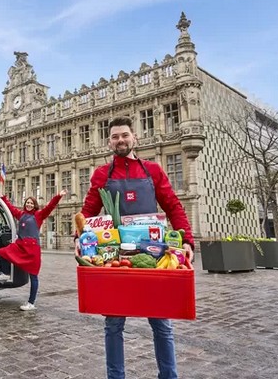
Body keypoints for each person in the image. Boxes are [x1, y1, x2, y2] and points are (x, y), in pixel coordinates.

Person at [77, 116, 195, 379]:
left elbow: (173, 205)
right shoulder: (101, 174)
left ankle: (169, 375)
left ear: (134, 138)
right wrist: (80, 238)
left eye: (125, 135)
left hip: (154, 252)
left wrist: (187, 240)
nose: (120, 140)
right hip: (117, 255)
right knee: (113, 323)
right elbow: (88, 211)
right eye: (115, 136)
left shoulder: (152, 170)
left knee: (161, 322)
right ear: (109, 141)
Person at [0, 189, 67, 311]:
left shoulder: (38, 215)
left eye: (31, 203)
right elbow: (11, 208)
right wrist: (3, 198)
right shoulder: (21, 214)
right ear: (25, 204)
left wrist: (58, 196)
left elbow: (49, 207)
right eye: (27, 203)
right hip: (20, 247)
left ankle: (31, 303)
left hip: (32, 250)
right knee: (1, 252)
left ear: (35, 205)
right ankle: (5, 273)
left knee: (33, 276)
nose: (29, 205)